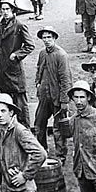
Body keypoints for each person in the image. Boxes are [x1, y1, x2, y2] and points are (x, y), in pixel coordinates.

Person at [0, 0, 34, 127]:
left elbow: (30, 45)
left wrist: (16, 55)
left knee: (20, 103)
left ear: (12, 10)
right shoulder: (1, 24)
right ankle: (5, 130)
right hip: (2, 68)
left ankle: (25, 131)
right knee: (4, 101)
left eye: (7, 9)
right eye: (2, 9)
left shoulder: (19, 25)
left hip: (14, 69)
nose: (4, 12)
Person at [34, 27, 73, 162]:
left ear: (54, 38)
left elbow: (65, 79)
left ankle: (60, 156)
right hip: (44, 97)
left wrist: (64, 101)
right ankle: (41, 152)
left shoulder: (61, 55)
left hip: (57, 97)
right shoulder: (42, 53)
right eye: (44, 37)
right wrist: (38, 85)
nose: (46, 40)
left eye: (49, 37)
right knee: (39, 125)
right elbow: (39, 69)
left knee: (58, 129)